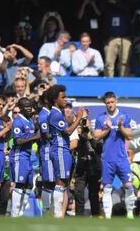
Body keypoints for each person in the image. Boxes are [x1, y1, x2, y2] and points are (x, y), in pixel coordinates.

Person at [94, 91, 135, 219]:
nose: (110, 105)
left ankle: (130, 214)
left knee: (129, 186)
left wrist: (120, 126)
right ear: (105, 104)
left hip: (122, 158)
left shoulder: (124, 116)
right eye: (108, 103)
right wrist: (107, 128)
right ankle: (108, 217)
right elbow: (96, 136)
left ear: (116, 101)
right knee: (107, 188)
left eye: (112, 102)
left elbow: (129, 135)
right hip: (107, 159)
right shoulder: (101, 118)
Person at [47, 85, 85, 218]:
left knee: (61, 183)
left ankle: (57, 214)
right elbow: (68, 131)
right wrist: (79, 118)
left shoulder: (58, 113)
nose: (65, 99)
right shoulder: (55, 114)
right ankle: (58, 214)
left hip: (60, 150)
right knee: (61, 183)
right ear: (54, 99)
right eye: (62, 97)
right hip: (60, 150)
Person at [9, 97, 40, 217]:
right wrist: (35, 138)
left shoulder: (30, 121)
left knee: (29, 185)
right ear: (20, 108)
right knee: (20, 184)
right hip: (18, 156)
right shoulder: (18, 121)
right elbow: (18, 141)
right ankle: (14, 213)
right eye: (25, 106)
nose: (28, 108)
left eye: (29, 106)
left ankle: (21, 212)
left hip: (27, 157)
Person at [74, 109, 102, 217]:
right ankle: (79, 217)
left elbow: (100, 148)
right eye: (81, 119)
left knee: (94, 195)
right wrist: (79, 135)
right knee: (79, 193)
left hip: (94, 167)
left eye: (85, 119)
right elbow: (72, 146)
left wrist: (90, 137)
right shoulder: (75, 131)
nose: (83, 122)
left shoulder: (94, 131)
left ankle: (96, 216)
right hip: (81, 167)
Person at [103, 0, 132, 77]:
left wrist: (115, 3)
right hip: (112, 37)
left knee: (124, 62)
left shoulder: (126, 3)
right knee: (109, 62)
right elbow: (101, 9)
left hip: (125, 37)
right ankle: (109, 81)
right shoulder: (108, 5)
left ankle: (124, 81)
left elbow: (127, 10)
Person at [37, 89, 54, 214]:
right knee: (48, 181)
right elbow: (47, 134)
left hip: (53, 150)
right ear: (47, 100)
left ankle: (51, 208)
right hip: (47, 150)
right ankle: (46, 209)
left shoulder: (52, 113)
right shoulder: (44, 115)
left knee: (54, 181)